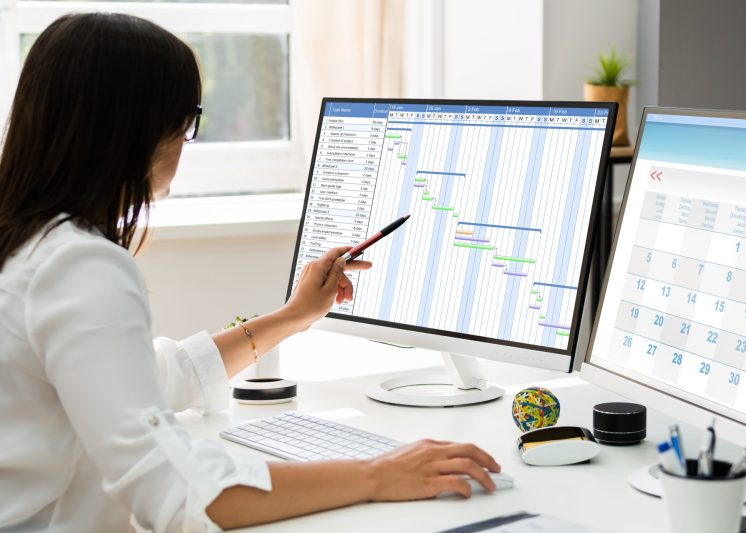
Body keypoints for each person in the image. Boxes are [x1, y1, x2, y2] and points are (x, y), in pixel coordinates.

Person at [0, 12, 501, 532]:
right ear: (138, 130)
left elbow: (149, 377)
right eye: (187, 123)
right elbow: (176, 493)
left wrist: (294, 316)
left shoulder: (25, 242)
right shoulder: (81, 266)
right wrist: (378, 473)